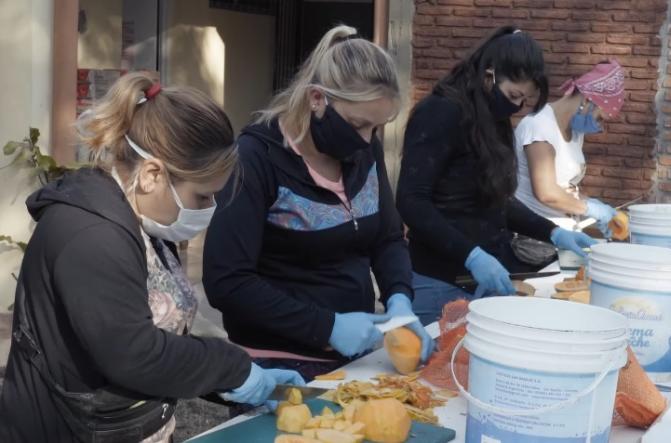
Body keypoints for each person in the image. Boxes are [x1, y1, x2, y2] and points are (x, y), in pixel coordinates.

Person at [0, 73, 303, 443]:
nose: (210, 208)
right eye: (202, 196)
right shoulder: (91, 237)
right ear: (152, 174)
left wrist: (239, 377)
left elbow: (164, 333)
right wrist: (232, 369)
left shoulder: (141, 218)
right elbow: (134, 353)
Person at [202, 25, 434, 381]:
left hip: (352, 357)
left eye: (377, 127)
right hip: (276, 363)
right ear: (316, 99)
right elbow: (228, 281)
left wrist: (400, 298)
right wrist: (326, 327)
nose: (367, 139)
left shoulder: (362, 149)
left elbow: (386, 238)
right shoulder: (256, 160)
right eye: (358, 124)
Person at [396, 27, 597, 325]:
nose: (517, 106)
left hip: (487, 276)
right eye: (514, 95)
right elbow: (411, 201)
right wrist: (471, 255)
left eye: (525, 101)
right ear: (489, 75)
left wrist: (552, 232)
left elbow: (496, 199)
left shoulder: (495, 119)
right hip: (438, 278)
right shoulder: (440, 112)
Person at [514, 60, 626, 235]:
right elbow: (547, 193)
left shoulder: (574, 132)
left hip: (562, 232)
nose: (599, 126)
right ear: (588, 101)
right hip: (532, 236)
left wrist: (591, 204)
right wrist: (590, 209)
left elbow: (564, 186)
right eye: (600, 118)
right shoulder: (539, 127)